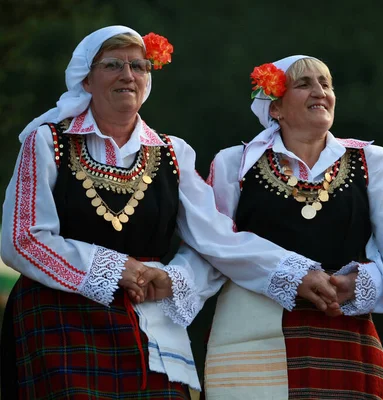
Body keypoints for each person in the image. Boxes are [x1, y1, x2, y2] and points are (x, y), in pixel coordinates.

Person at [0, 27, 342, 399]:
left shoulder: (172, 152)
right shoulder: (48, 141)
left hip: (148, 322)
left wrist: (291, 274)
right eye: (113, 65)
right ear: (86, 79)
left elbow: (215, 239)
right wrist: (115, 268)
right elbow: (22, 238)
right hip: (58, 321)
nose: (128, 75)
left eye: (139, 66)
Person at [203, 55, 383, 400]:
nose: (320, 92)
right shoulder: (236, 164)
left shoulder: (370, 161)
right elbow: (216, 244)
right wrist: (290, 273)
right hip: (254, 329)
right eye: (305, 84)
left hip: (341, 325)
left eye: (325, 83)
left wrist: (362, 283)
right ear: (275, 108)